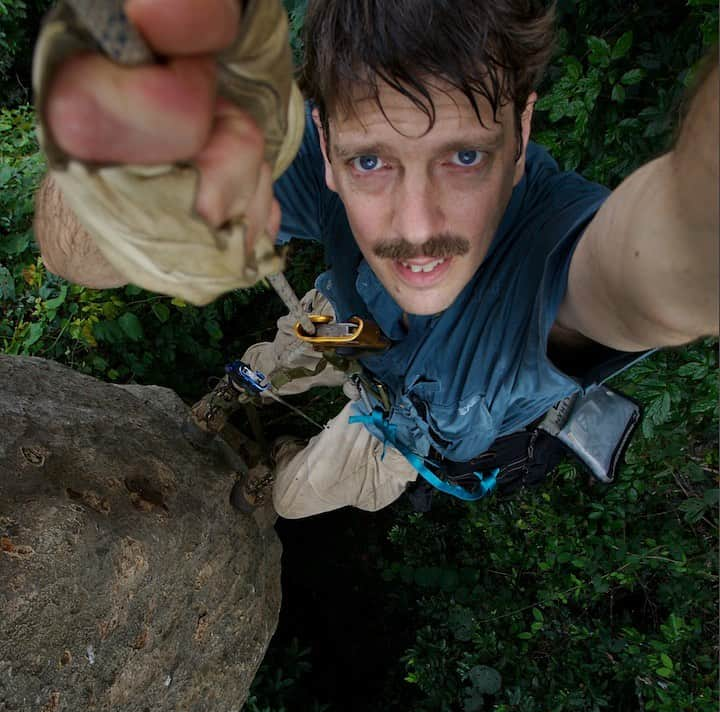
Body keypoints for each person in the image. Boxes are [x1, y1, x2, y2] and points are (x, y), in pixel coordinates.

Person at [33, 0, 718, 518]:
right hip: (348, 317)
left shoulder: (555, 265)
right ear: (326, 141)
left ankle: (276, 463)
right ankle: (240, 393)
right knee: (272, 359)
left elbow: (683, 245)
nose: (416, 229)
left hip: (401, 428)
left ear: (523, 130)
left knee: (295, 498)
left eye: (464, 156)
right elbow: (73, 256)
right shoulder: (299, 147)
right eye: (371, 162)